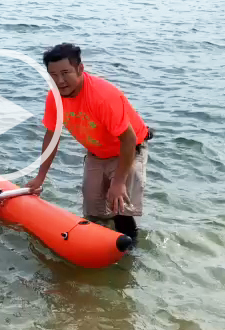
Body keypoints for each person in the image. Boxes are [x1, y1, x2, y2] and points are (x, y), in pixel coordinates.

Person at [25, 43, 151, 244]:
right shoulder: (54, 97)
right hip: (97, 152)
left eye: (65, 73)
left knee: (120, 208)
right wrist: (40, 177)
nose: (60, 80)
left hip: (128, 149)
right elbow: (52, 137)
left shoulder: (103, 96)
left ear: (80, 69)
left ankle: (129, 253)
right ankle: (95, 247)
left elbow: (129, 139)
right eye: (53, 75)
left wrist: (118, 182)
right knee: (93, 209)